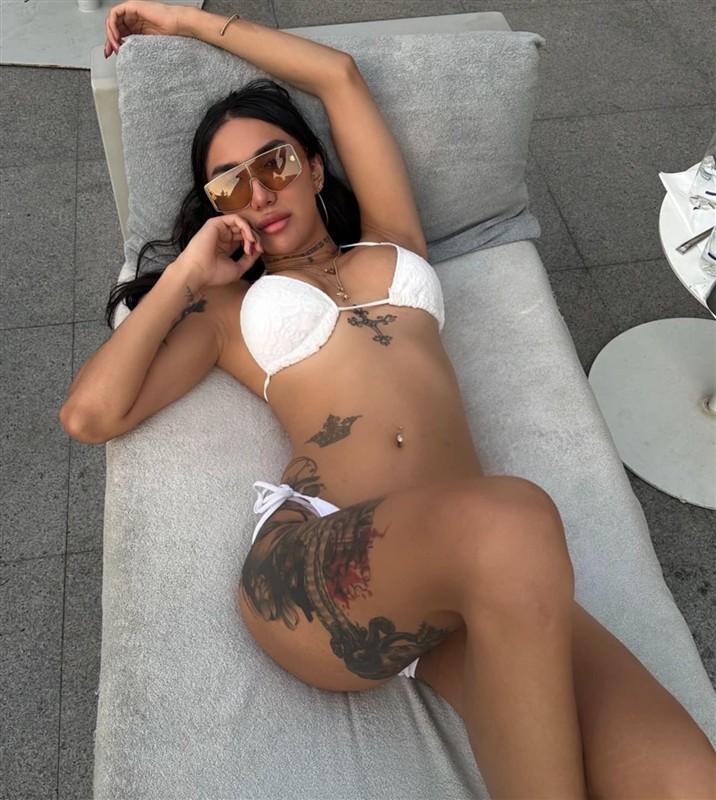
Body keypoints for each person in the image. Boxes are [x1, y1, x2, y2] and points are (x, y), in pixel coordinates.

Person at [61, 2, 716, 797]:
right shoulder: (229, 311)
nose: (259, 193)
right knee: (516, 519)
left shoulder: (394, 240)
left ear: (314, 166)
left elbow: (338, 77)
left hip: (463, 570)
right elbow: (90, 415)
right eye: (229, 186)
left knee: (690, 779)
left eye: (274, 163)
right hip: (321, 563)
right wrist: (187, 276)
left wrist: (187, 22)